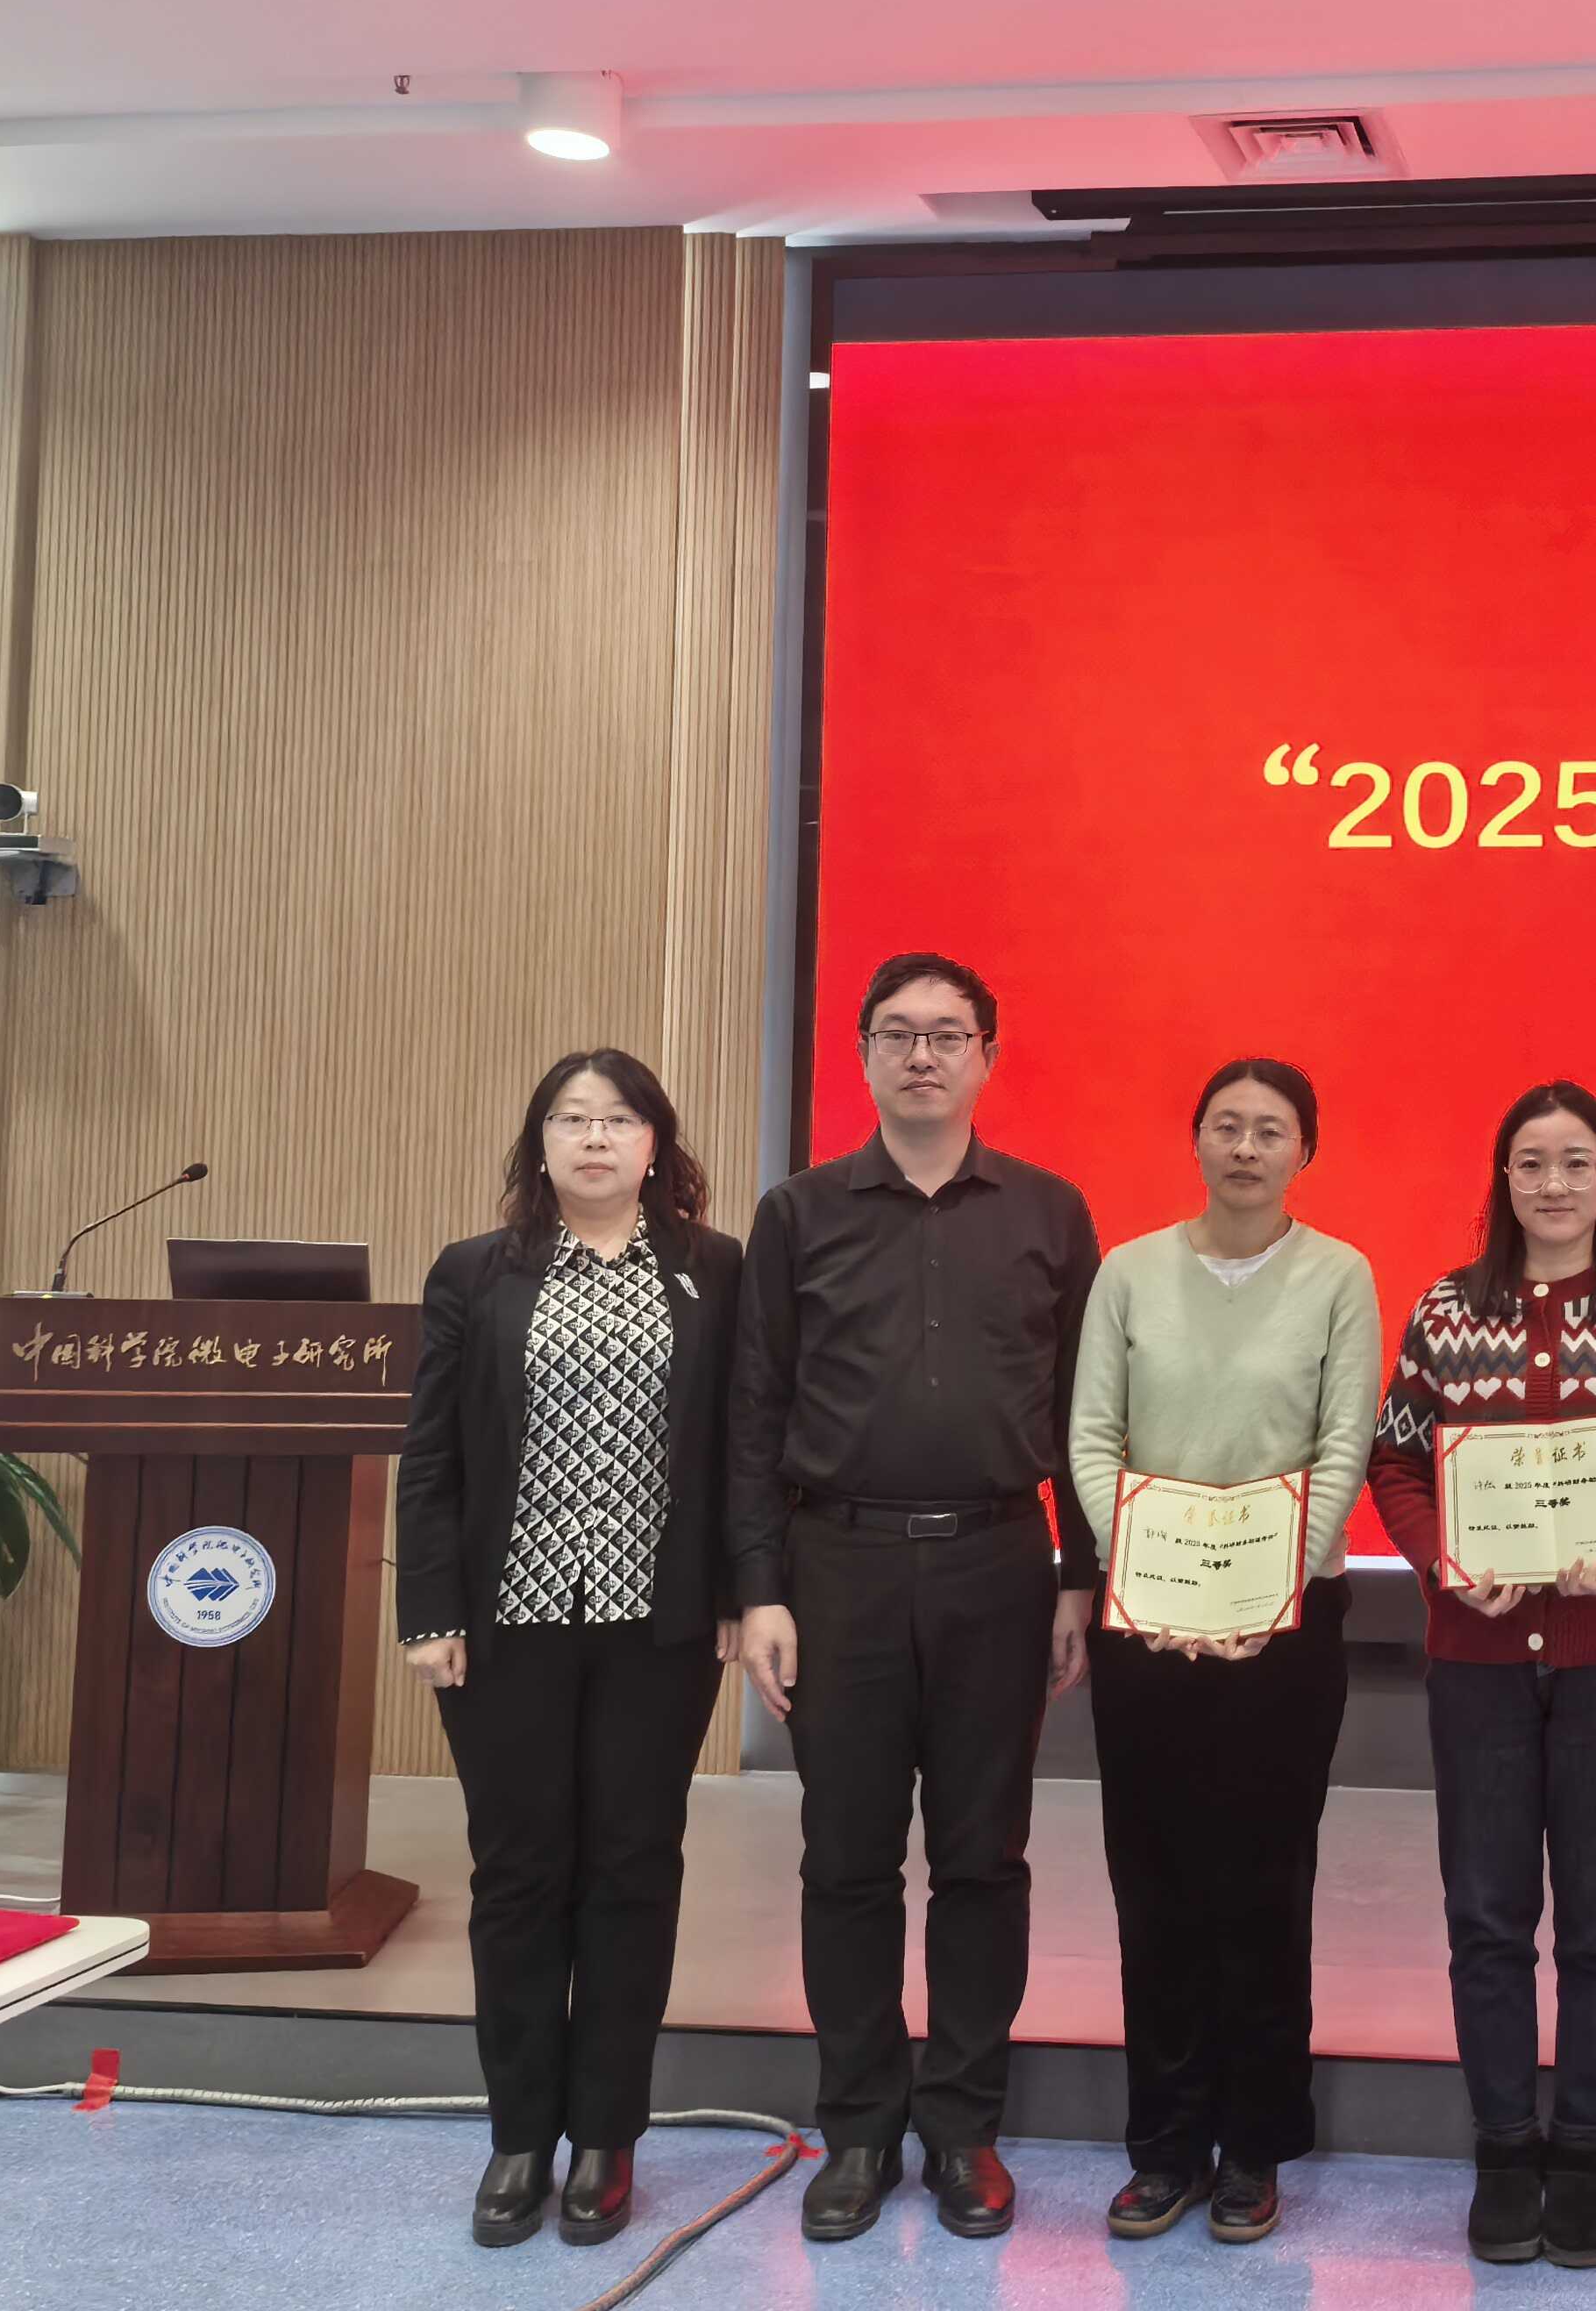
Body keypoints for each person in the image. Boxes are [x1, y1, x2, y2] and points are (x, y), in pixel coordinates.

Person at [726, 952, 1102, 2246]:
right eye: (899, 1033)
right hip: (838, 1568)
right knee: (846, 1858)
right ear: (865, 1055)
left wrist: (1079, 1571)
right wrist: (760, 1588)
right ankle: (858, 2130)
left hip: (1001, 1563)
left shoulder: (1049, 1212)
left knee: (984, 1859)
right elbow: (756, 1409)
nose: (924, 1055)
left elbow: (1085, 1411)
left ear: (989, 1054)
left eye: (949, 1034)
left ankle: (963, 2128)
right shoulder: (799, 1213)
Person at [1366, 1078, 1596, 2272]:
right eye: (1532, 1163)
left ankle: (1583, 2152)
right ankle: (1503, 2148)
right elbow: (1396, 1462)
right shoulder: (1446, 1309)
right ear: (1504, 1179)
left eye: (1577, 1162)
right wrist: (1444, 1562)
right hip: (1474, 1660)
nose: (1555, 1184)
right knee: (1485, 1917)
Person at [395, 1048, 742, 2251]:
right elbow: (433, 1455)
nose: (595, 1138)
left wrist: (744, 1591)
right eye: (571, 1118)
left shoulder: (713, 1270)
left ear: (656, 1145)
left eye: (620, 1119)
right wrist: (429, 1612)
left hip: (659, 1626)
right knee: (519, 1875)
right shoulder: (475, 1272)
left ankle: (606, 2135)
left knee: (634, 1871)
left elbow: (740, 1446)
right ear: (538, 1144)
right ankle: (517, 2137)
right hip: (507, 1627)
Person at [1065, 1059, 1383, 2245]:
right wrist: (1146, 1570)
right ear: (1196, 1139)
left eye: (1272, 1131)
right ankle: (1163, 2144)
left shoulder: (1340, 1275)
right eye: (1228, 1127)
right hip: (1147, 1619)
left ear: (1306, 1151)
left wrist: (1267, 1584)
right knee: (1152, 1883)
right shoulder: (1129, 1272)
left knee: (1262, 1883)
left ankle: (1254, 2142)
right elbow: (1091, 1436)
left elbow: (1343, 1443)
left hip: (1285, 1623)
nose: (1247, 1148)